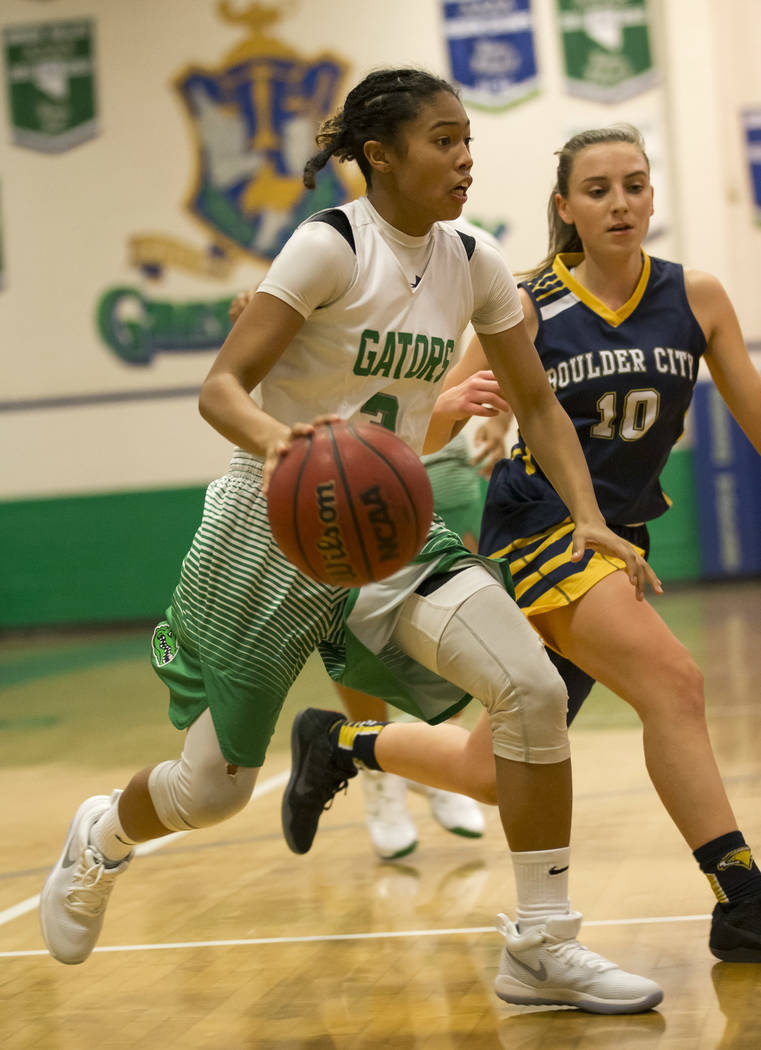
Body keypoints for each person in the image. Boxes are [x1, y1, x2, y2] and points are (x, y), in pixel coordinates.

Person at [39, 70, 662, 1014]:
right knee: (209, 789)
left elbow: (534, 398)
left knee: (529, 690)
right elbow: (221, 389)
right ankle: (101, 837)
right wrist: (288, 448)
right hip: (271, 523)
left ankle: (540, 944)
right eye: (442, 140)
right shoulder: (329, 245)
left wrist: (587, 517)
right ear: (380, 156)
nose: (463, 157)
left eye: (466, 139)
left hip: (393, 528)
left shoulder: (473, 258)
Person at [291, 123, 761, 966]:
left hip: (622, 534)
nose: (620, 203)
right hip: (537, 524)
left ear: (652, 195)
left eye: (634, 185)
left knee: (488, 772)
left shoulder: (699, 297)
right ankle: (743, 899)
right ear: (565, 207)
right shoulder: (529, 302)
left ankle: (340, 743)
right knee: (675, 684)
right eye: (598, 189)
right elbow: (422, 409)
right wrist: (455, 399)